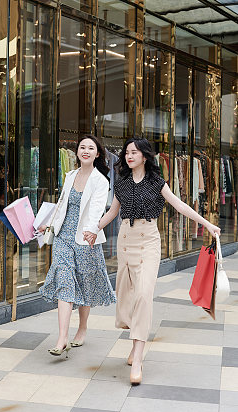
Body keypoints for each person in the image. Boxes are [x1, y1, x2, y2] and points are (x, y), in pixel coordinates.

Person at [85, 137, 221, 385]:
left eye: (134, 152)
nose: (129, 156)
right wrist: (95, 228)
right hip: (126, 240)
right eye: (127, 152)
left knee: (144, 296)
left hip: (148, 242)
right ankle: (136, 339)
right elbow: (113, 211)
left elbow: (180, 206)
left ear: (145, 156)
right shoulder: (122, 183)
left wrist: (207, 224)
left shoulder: (157, 182)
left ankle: (137, 357)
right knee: (126, 298)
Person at [39, 135, 116, 357]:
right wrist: (49, 226)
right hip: (63, 236)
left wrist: (92, 231)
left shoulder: (100, 180)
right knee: (64, 281)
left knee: (85, 282)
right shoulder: (70, 175)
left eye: (91, 148)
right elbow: (62, 205)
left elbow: (97, 210)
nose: (86, 151)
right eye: (82, 147)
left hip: (85, 238)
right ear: (77, 151)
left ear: (97, 154)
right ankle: (62, 337)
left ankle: (82, 328)